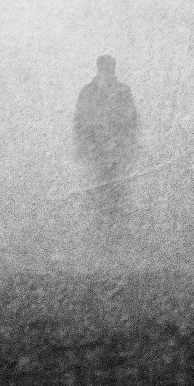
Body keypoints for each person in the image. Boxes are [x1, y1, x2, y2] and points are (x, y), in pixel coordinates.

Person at [73, 54, 140, 245]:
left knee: (105, 192)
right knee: (111, 193)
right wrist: (129, 145)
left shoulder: (90, 91)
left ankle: (105, 235)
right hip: (109, 152)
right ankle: (111, 234)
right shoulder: (120, 90)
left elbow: (79, 122)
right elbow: (132, 121)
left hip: (103, 152)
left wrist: (83, 146)